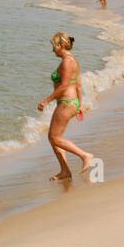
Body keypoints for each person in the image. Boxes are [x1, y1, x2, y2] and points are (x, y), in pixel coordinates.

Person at [38, 33, 96, 181]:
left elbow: (64, 86)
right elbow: (78, 83)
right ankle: (64, 170)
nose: (52, 50)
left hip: (66, 103)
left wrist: (46, 100)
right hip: (70, 103)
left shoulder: (67, 62)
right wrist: (80, 105)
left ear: (61, 46)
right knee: (54, 138)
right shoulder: (72, 60)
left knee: (54, 138)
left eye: (54, 47)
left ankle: (85, 155)